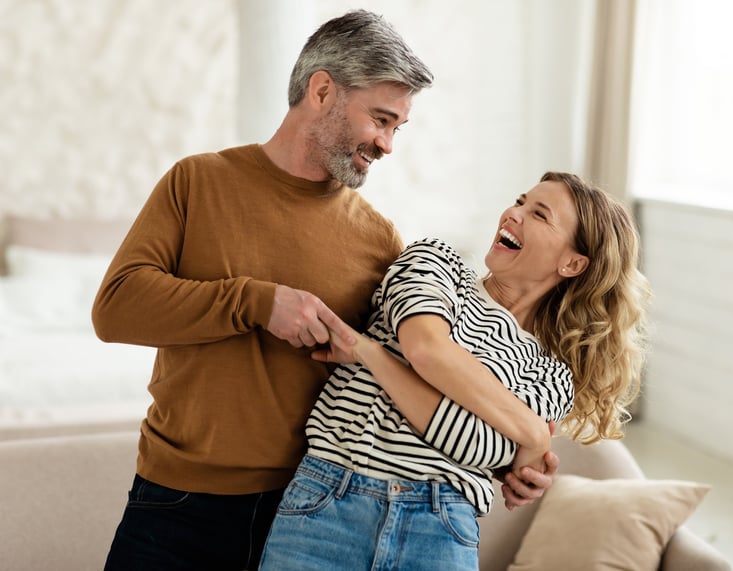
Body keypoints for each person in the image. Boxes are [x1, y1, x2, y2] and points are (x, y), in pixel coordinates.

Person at [92, 10, 555, 570]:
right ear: (321, 90)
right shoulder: (198, 181)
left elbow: (395, 388)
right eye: (380, 120)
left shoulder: (381, 241)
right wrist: (257, 302)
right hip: (176, 502)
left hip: (314, 513)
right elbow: (116, 309)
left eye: (397, 128)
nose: (387, 144)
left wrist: (507, 462)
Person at [258, 171, 652, 570]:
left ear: (572, 262)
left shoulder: (553, 376)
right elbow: (427, 349)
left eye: (539, 214)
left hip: (442, 529)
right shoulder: (436, 262)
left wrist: (370, 353)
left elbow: (481, 447)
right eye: (520, 201)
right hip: (328, 499)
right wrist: (527, 429)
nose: (513, 214)